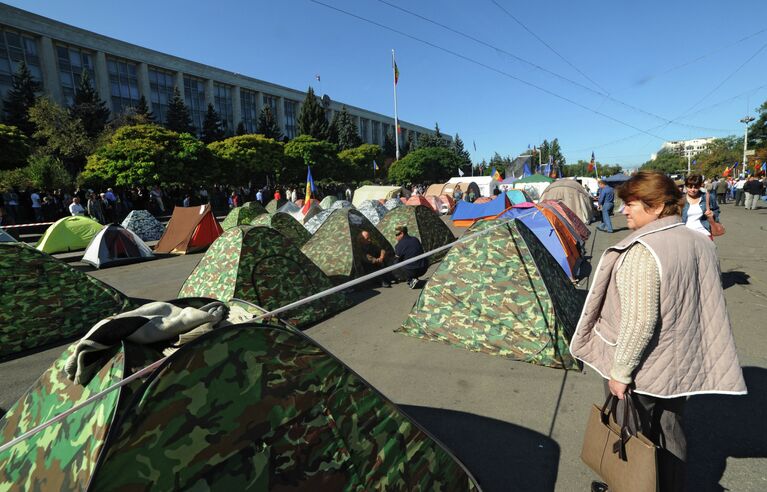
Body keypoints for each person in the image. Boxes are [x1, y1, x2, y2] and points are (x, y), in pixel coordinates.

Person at [570, 171, 746, 492]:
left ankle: (632, 485)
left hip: (646, 367)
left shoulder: (642, 250)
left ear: (656, 207)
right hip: (684, 362)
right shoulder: (699, 242)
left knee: (634, 435)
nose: (624, 210)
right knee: (670, 428)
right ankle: (669, 485)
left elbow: (639, 323)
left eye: (631, 204)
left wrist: (620, 373)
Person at [681, 174, 719, 238]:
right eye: (690, 187)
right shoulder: (680, 199)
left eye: (696, 187)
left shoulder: (707, 197)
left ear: (700, 186)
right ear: (686, 186)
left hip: (704, 234)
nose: (693, 190)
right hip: (685, 235)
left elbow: (716, 210)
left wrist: (713, 214)